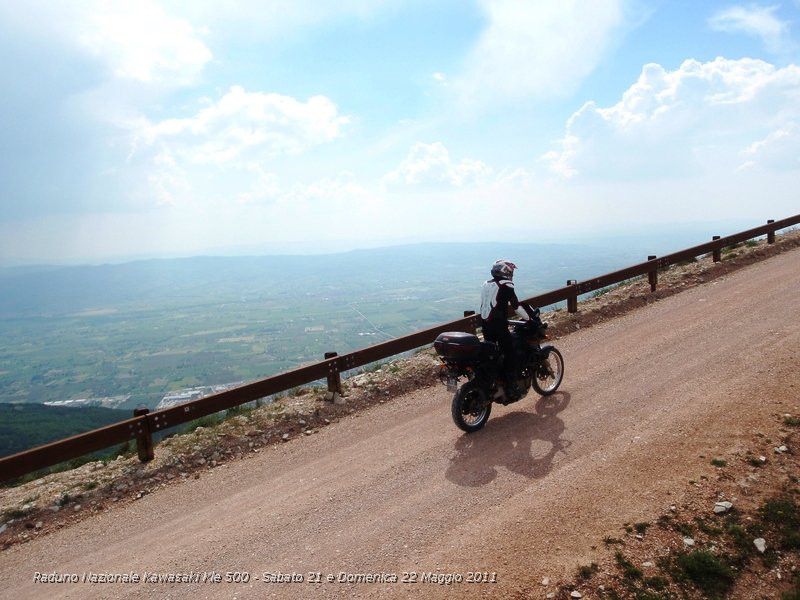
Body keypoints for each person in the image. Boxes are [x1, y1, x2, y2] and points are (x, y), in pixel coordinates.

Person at [479, 259, 535, 398]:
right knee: (511, 353)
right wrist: (529, 319)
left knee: (493, 353)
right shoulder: (506, 285)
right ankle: (511, 386)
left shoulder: (486, 284)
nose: (512, 274)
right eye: (511, 271)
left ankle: (497, 380)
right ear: (506, 272)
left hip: (485, 326)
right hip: (499, 327)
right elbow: (516, 306)